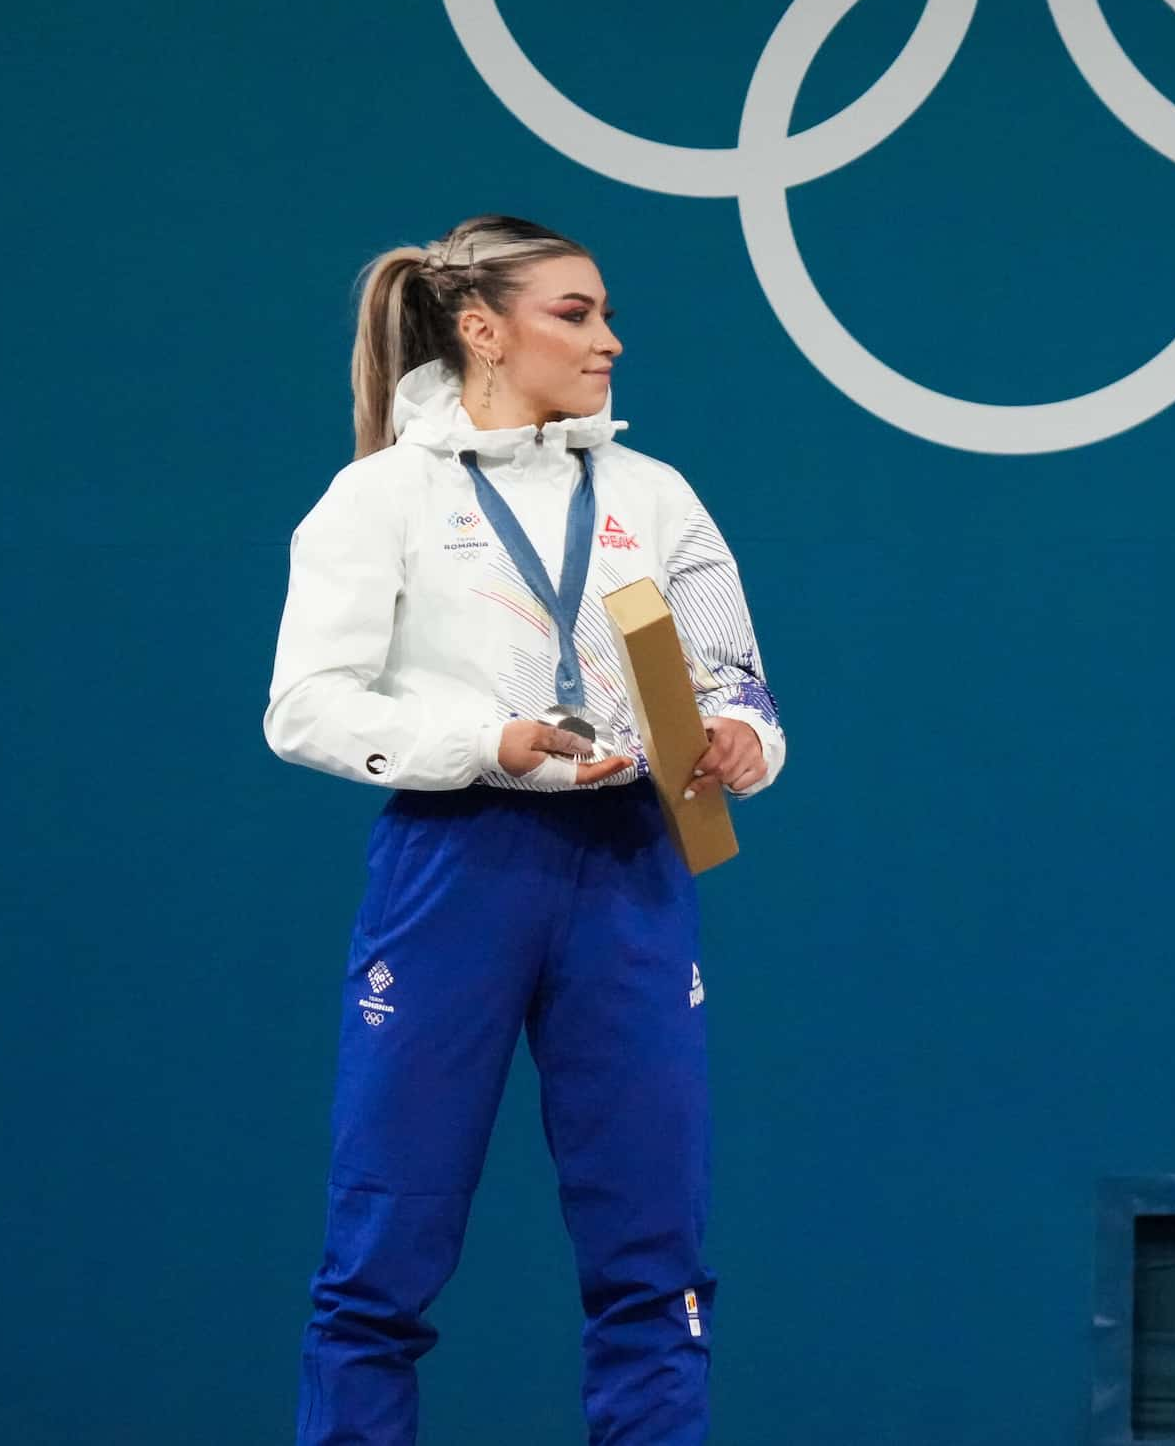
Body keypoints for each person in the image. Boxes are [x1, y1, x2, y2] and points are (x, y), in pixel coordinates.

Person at [267, 213, 786, 1444]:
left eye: (606, 314)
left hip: (633, 873)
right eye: (575, 314)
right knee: (381, 1258)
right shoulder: (380, 497)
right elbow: (303, 709)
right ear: (481, 330)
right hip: (458, 868)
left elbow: (736, 680)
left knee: (656, 1257)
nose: (610, 340)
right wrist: (485, 743)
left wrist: (739, 744)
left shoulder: (652, 494)